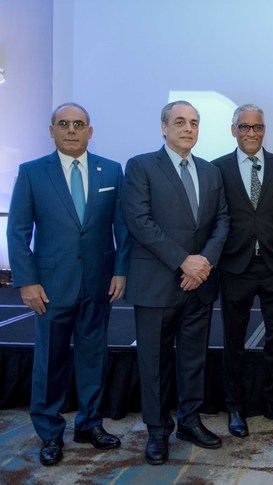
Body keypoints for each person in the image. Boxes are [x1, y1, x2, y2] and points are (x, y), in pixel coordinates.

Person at [7, 102, 130, 466]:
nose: (72, 130)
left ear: (90, 131)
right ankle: (49, 432)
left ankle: (89, 424)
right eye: (64, 124)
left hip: (98, 284)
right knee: (50, 362)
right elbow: (17, 232)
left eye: (79, 124)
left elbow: (120, 227)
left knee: (94, 358)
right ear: (52, 130)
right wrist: (27, 282)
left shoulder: (111, 169)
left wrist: (120, 270)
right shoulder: (32, 172)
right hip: (50, 287)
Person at [121, 100, 229, 465]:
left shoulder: (210, 171)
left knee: (193, 358)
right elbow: (139, 221)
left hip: (198, 284)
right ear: (164, 127)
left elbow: (222, 222)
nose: (188, 128)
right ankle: (156, 430)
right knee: (153, 361)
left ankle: (190, 420)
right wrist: (184, 261)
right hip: (157, 282)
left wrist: (204, 264)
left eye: (194, 123)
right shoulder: (140, 166)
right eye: (180, 122)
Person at [212, 104, 273, 437]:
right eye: (245, 127)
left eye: (257, 127)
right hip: (236, 267)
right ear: (233, 129)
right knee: (234, 341)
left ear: (264, 130)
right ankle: (236, 406)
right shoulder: (217, 169)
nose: (251, 133)